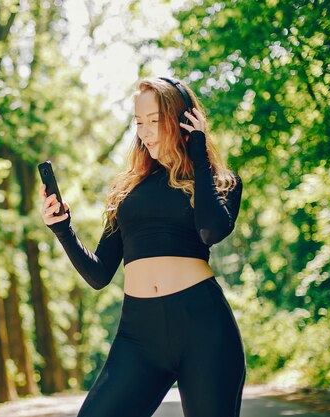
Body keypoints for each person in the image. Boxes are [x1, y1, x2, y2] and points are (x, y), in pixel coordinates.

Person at [39, 76, 246, 417]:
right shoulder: (127, 191)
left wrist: (198, 152)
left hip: (204, 329)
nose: (145, 131)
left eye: (155, 121)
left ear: (183, 120)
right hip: (139, 337)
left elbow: (211, 230)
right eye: (139, 122)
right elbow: (99, 273)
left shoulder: (219, 181)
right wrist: (63, 229)